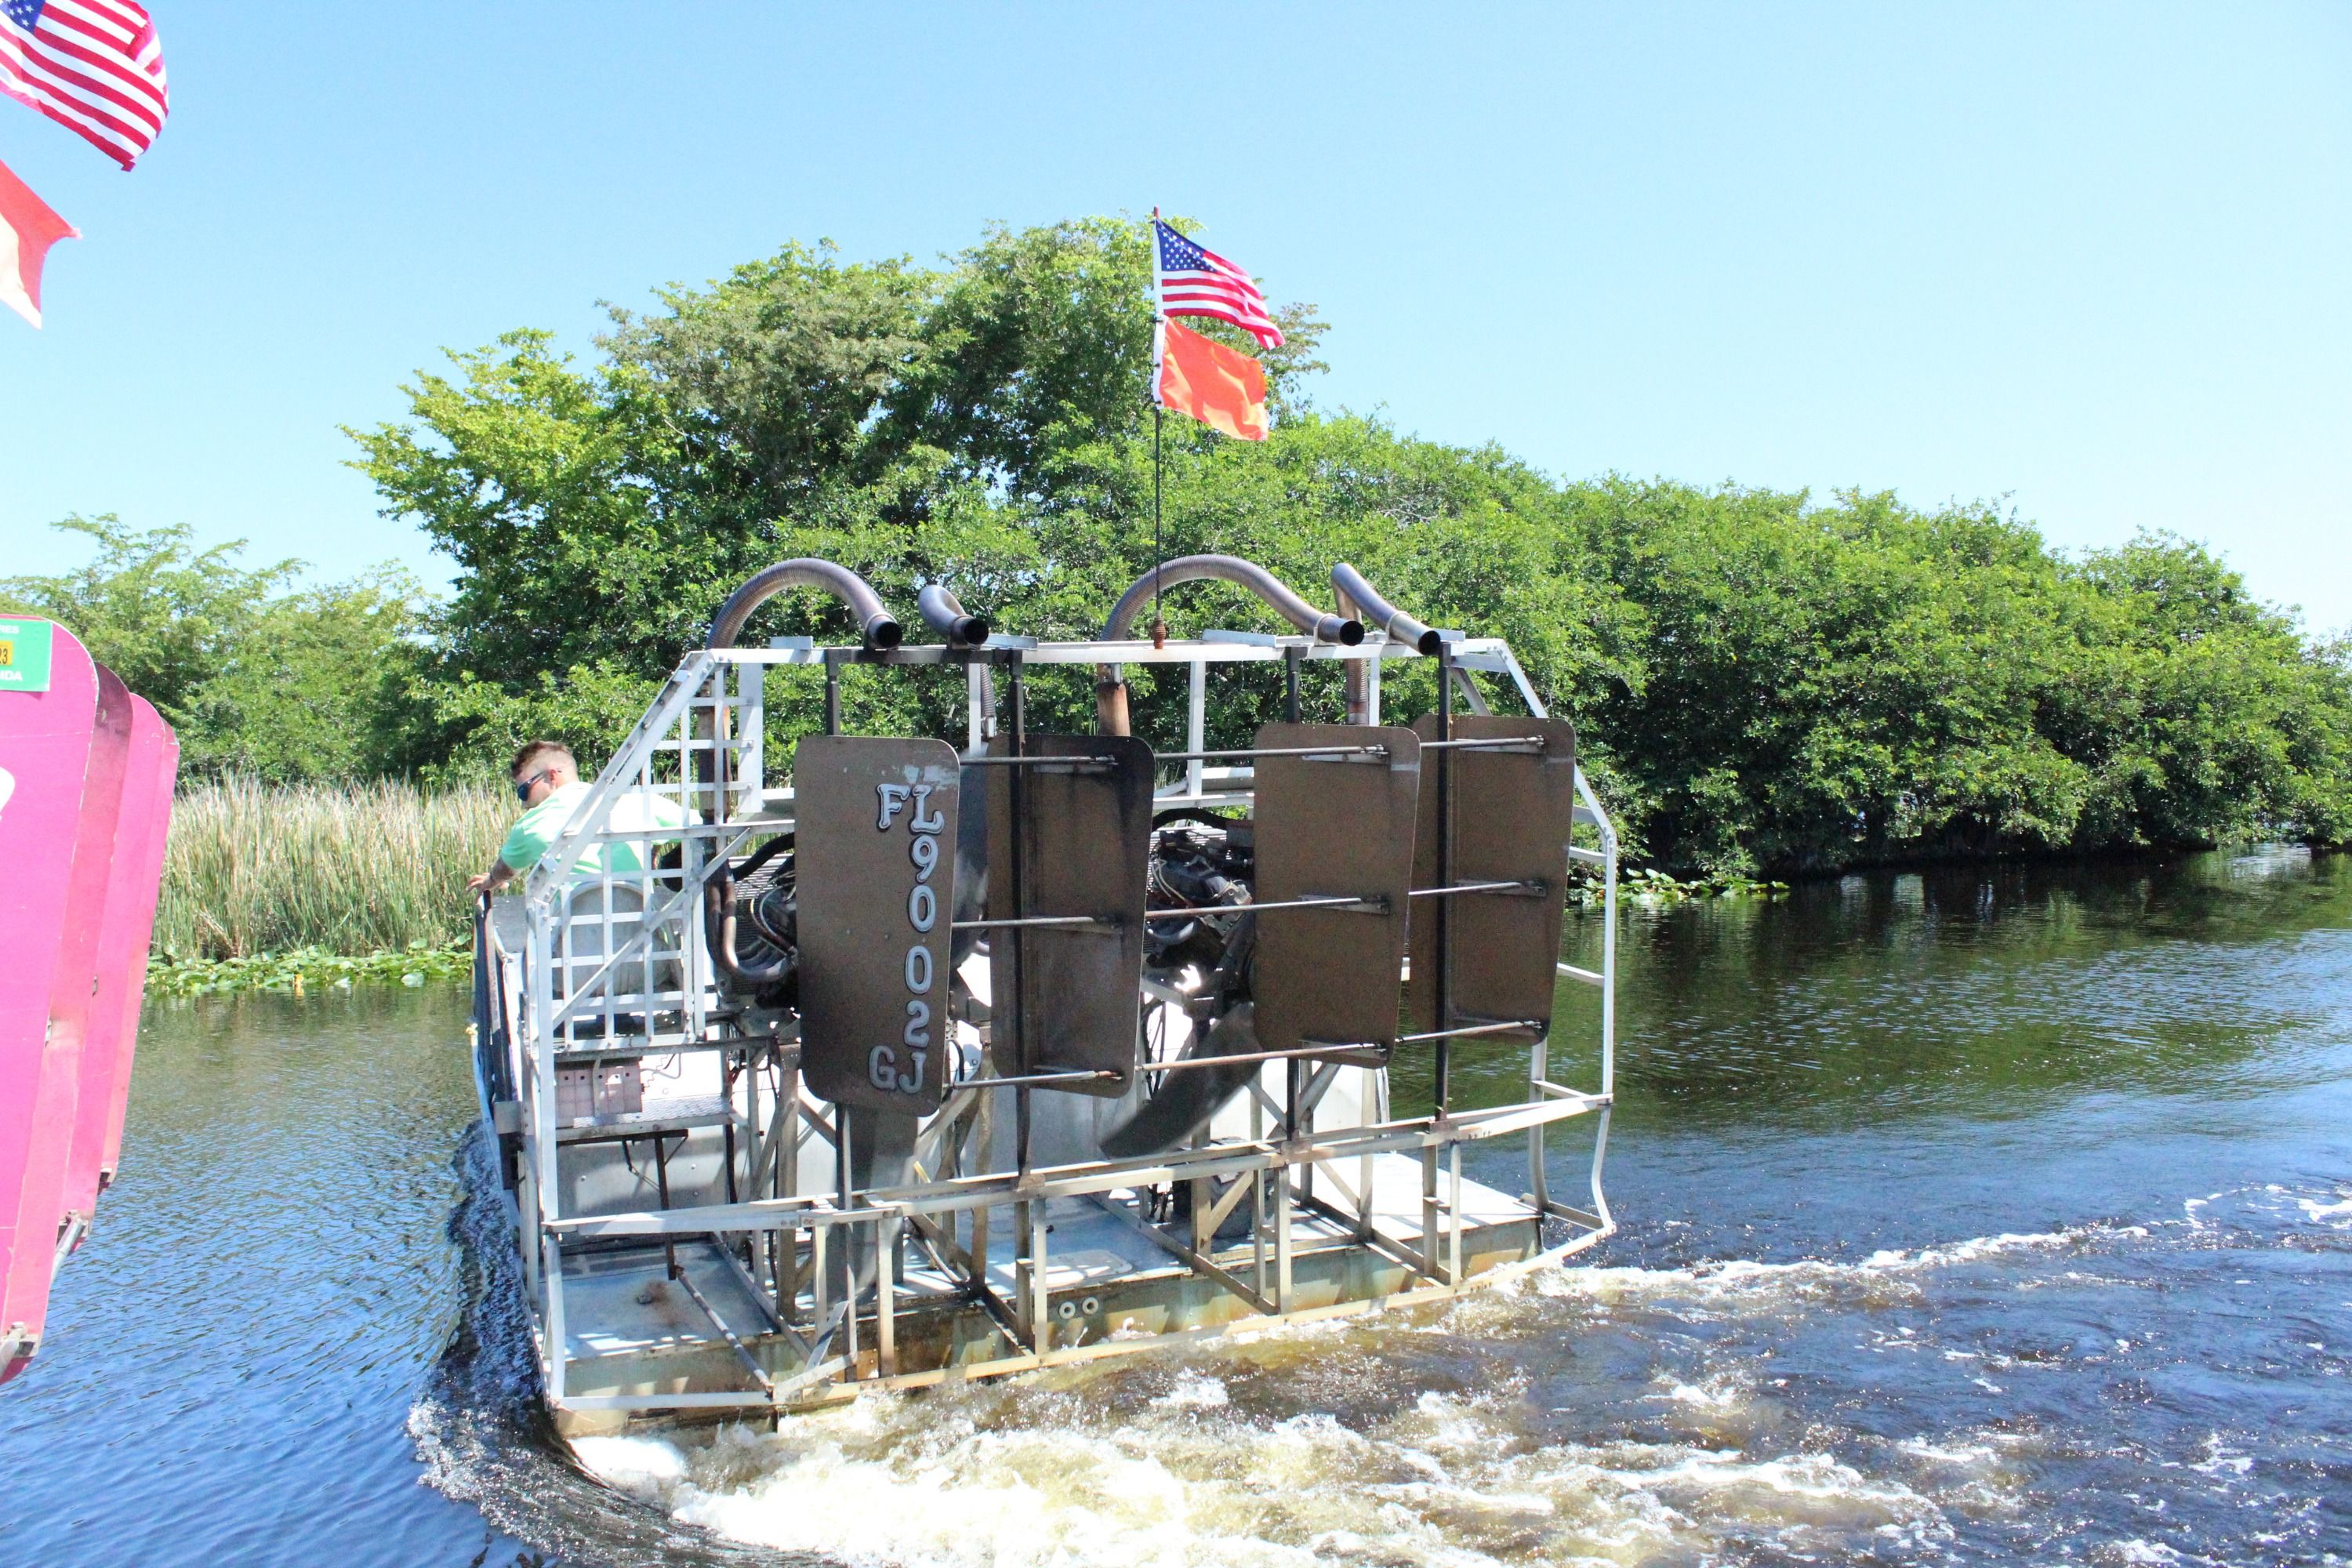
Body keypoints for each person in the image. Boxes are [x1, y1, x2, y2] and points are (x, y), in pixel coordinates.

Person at [468, 739, 688, 895]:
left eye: (524, 791)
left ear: (552, 776)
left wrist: (491, 880)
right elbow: (708, 829)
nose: (524, 803)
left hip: (568, 944)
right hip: (643, 936)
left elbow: (505, 870)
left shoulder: (531, 825)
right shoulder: (641, 803)